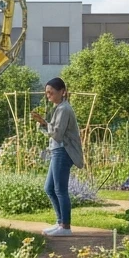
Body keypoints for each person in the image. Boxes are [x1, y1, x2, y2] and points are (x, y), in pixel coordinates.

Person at [32, 77, 83, 237]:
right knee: (49, 188)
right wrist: (44, 124)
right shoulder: (59, 107)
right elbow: (54, 131)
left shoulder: (64, 109)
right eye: (47, 93)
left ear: (62, 92)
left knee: (60, 190)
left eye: (51, 93)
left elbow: (58, 135)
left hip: (63, 152)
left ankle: (66, 226)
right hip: (57, 151)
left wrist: (44, 123)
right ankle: (60, 222)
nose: (48, 96)